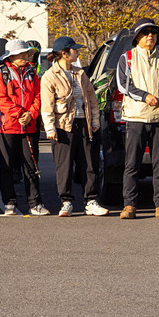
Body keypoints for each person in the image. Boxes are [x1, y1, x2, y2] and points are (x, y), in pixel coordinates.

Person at [116, 19, 159, 220]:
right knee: (132, 164)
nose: (150, 36)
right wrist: (145, 96)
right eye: (145, 32)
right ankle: (129, 205)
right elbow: (123, 85)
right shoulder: (127, 57)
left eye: (153, 32)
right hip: (136, 116)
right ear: (137, 37)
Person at [41, 36, 108, 217]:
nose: (78, 52)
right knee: (64, 165)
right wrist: (50, 128)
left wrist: (95, 121)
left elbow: (92, 98)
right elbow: (47, 105)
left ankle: (91, 201)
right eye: (75, 50)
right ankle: (66, 202)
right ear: (64, 53)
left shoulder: (80, 73)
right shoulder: (50, 76)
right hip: (63, 126)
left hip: (84, 123)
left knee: (89, 163)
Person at [0, 39, 47, 216]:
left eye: (26, 53)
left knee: (31, 166)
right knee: (7, 166)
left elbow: (39, 96)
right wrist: (19, 114)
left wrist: (31, 114)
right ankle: (9, 203)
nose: (25, 56)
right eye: (21, 53)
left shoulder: (32, 73)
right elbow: (0, 99)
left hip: (29, 126)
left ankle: (35, 203)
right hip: (6, 127)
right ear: (11, 56)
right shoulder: (0, 74)